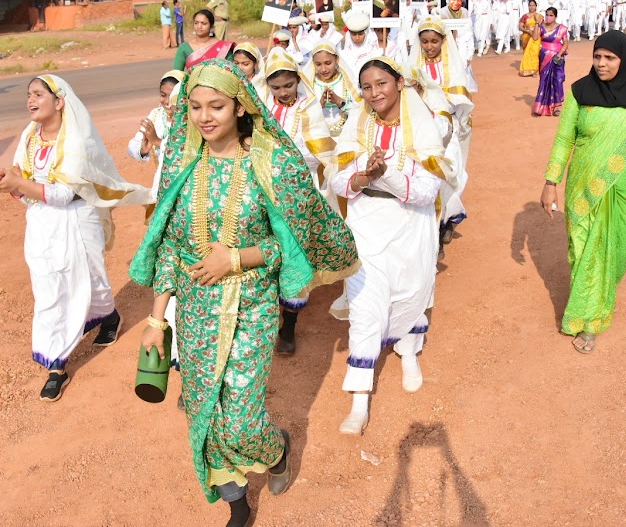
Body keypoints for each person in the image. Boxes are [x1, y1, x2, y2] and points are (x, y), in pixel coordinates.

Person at [130, 59, 358, 526]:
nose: (204, 116)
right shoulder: (184, 163)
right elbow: (172, 250)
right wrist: (156, 320)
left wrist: (234, 259)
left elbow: (290, 247)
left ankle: (276, 451)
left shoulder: (270, 162)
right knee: (205, 415)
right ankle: (236, 502)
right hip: (193, 314)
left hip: (251, 307)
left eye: (216, 105)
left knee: (240, 418)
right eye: (194, 107)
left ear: (240, 105)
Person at [0, 75, 152, 401]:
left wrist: (17, 184)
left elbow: (63, 195)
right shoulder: (29, 138)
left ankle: (108, 316)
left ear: (59, 101)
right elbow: (28, 190)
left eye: (39, 94)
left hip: (77, 221)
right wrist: (13, 185)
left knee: (90, 281)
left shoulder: (77, 142)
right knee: (50, 291)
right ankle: (56, 366)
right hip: (40, 225)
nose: (31, 100)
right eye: (29, 94)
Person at [328, 57, 456, 434]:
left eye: (381, 84)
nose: (374, 93)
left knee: (410, 292)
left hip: (410, 226)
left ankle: (409, 353)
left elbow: (428, 190)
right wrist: (364, 177)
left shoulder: (423, 128)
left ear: (399, 83)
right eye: (366, 87)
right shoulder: (357, 125)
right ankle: (358, 400)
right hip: (365, 223)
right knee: (365, 305)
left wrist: (390, 176)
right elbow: (337, 181)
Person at [540, 31, 626, 354]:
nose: (601, 64)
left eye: (609, 58)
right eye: (597, 57)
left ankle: (593, 312)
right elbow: (564, 141)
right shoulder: (580, 92)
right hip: (583, 187)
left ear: (624, 59)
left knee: (615, 251)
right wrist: (550, 181)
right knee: (583, 248)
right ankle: (588, 319)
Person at [264, 48, 336, 353]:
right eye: (276, 87)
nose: (282, 93)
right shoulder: (264, 105)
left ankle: (289, 325)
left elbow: (317, 151)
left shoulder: (309, 107)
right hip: (265, 190)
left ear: (298, 81)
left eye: (288, 85)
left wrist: (282, 154)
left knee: (296, 254)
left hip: (300, 191)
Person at [408, 16, 473, 253]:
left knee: (449, 176)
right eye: (424, 42)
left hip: (447, 131)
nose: (429, 46)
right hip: (419, 132)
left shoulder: (453, 68)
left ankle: (445, 221)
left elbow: (461, 102)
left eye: (434, 41)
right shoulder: (412, 66)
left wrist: (436, 96)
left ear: (443, 41)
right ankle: (433, 234)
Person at [127, 70, 184, 198]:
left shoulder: (188, 118)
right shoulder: (156, 115)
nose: (167, 101)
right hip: (161, 183)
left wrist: (157, 141)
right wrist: (142, 149)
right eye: (163, 95)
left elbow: (184, 148)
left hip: (185, 184)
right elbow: (133, 145)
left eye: (173, 96)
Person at [304, 41, 360, 137]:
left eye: (328, 63)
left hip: (346, 134)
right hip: (318, 136)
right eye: (318, 64)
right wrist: (318, 106)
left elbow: (360, 109)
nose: (323, 69)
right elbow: (302, 115)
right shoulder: (309, 84)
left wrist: (341, 103)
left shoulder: (347, 81)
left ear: (337, 60)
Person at [531, 7, 569, 116]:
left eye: (551, 15)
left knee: (557, 80)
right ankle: (540, 106)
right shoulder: (541, 27)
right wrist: (537, 24)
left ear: (555, 17)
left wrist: (560, 54)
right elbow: (534, 38)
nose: (548, 17)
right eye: (547, 14)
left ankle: (557, 106)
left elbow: (565, 43)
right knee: (544, 80)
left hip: (558, 57)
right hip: (544, 57)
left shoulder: (562, 28)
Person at [518, 0, 541, 77]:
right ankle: (527, 69)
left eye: (533, 5)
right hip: (526, 36)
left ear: (536, 6)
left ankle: (535, 70)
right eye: (530, 5)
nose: (531, 7)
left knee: (535, 53)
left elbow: (543, 27)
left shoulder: (539, 16)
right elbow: (520, 26)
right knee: (527, 53)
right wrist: (527, 31)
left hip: (536, 37)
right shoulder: (525, 16)